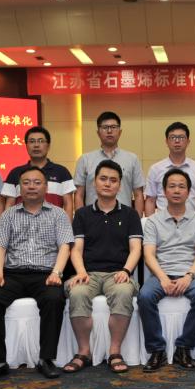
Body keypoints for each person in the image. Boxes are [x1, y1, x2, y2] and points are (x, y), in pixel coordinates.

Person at [0, 166, 74, 382]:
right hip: (13, 274)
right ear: (19, 188)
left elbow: (65, 247)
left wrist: (57, 273)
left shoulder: (58, 214)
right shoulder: (8, 214)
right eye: (26, 182)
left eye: (37, 182)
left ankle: (46, 359)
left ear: (46, 187)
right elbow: (0, 247)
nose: (31, 187)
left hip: (45, 274)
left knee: (54, 298)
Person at [65, 160, 142, 374]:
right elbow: (76, 249)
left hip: (118, 273)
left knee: (123, 292)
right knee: (77, 292)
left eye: (113, 180)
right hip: (88, 273)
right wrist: (81, 272)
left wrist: (126, 271)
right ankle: (83, 352)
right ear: (94, 183)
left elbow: (136, 248)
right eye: (103, 179)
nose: (108, 184)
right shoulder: (82, 214)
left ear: (120, 185)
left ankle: (115, 352)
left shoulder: (130, 214)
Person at [138, 168, 195, 371]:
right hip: (161, 273)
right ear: (164, 191)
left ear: (189, 192)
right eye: (172, 186)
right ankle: (157, 350)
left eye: (181, 186)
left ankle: (184, 347)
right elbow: (149, 254)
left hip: (190, 273)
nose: (177, 190)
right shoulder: (153, 221)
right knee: (145, 296)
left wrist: (189, 276)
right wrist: (162, 278)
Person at [74, 111, 145, 215]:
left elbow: (138, 195)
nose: (109, 131)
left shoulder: (132, 159)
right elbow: (79, 195)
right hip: (92, 219)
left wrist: (136, 221)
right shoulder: (85, 159)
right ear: (98, 132)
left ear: (120, 132)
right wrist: (81, 219)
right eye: (105, 127)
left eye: (113, 127)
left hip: (124, 218)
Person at [2, 126, 75, 220]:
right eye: (32, 141)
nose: (36, 145)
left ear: (48, 145)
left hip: (54, 225)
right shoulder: (15, 173)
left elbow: (68, 204)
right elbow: (9, 204)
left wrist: (67, 226)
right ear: (26, 145)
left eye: (41, 141)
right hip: (21, 225)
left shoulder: (62, 172)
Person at [145, 121, 195, 217]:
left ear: (188, 141)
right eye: (173, 137)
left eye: (181, 137)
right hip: (162, 223)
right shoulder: (155, 169)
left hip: (191, 222)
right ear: (166, 141)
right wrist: (150, 223)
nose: (177, 141)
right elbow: (150, 200)